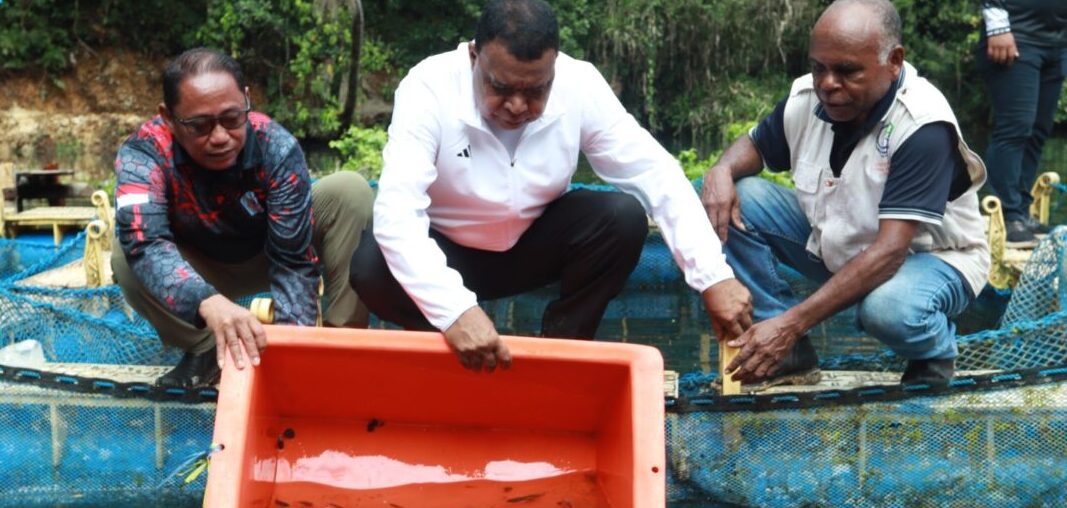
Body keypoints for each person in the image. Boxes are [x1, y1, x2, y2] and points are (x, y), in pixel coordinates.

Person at [350, 0, 751, 371]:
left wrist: (713, 276)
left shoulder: (580, 83)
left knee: (621, 218)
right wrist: (454, 311)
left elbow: (656, 174)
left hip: (533, 244)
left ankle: (563, 352)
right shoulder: (428, 87)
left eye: (536, 90)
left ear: (554, 67)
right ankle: (446, 349)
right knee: (371, 266)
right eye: (501, 88)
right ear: (474, 57)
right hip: (449, 249)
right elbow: (397, 214)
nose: (518, 107)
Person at [702, 0, 990, 389]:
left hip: (929, 259)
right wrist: (720, 169)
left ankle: (936, 352)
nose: (827, 84)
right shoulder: (808, 99)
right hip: (843, 242)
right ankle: (791, 354)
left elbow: (889, 253)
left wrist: (792, 323)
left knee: (888, 310)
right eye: (818, 67)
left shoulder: (922, 126)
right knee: (732, 196)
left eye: (846, 71)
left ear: (893, 61)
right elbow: (753, 146)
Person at [112, 48, 374, 388]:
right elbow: (144, 242)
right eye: (200, 125)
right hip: (197, 268)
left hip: (270, 248)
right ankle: (205, 349)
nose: (220, 137)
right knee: (125, 252)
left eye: (232, 119)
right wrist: (206, 301)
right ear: (169, 118)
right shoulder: (143, 153)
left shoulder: (275, 145)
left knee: (349, 191)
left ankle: (342, 348)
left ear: (246, 100)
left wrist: (292, 352)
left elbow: (293, 261)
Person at [979, 0, 1067, 245]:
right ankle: (1007, 215)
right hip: (1015, 35)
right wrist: (997, 28)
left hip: (1057, 42)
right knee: (1016, 128)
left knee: (1039, 130)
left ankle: (1022, 211)